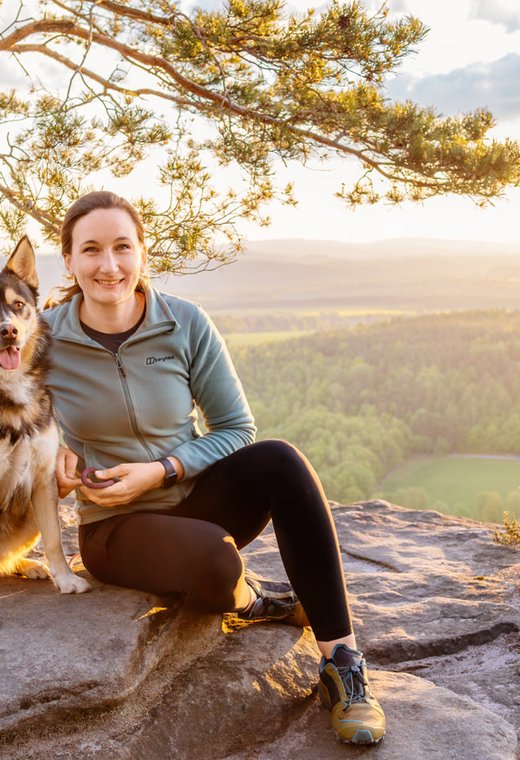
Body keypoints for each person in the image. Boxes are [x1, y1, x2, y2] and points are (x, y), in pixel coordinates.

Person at [42, 190, 385, 745]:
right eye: (91, 250)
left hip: (194, 496)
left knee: (280, 458)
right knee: (214, 565)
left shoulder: (183, 322)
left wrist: (164, 470)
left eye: (122, 247)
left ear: (143, 252)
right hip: (115, 528)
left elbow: (236, 428)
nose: (109, 266)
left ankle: (343, 662)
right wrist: (53, 458)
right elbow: (16, 426)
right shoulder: (43, 337)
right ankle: (253, 599)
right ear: (69, 260)